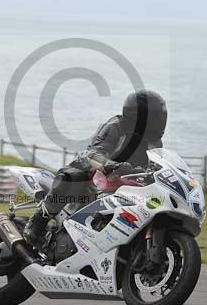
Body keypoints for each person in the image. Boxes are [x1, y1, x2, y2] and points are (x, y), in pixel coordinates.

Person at [23, 89, 168, 245]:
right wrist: (110, 165)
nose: (159, 121)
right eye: (155, 117)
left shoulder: (154, 142)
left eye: (161, 116)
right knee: (73, 177)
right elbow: (93, 153)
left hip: (125, 184)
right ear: (139, 117)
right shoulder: (116, 127)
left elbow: (158, 165)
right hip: (95, 173)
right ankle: (38, 220)